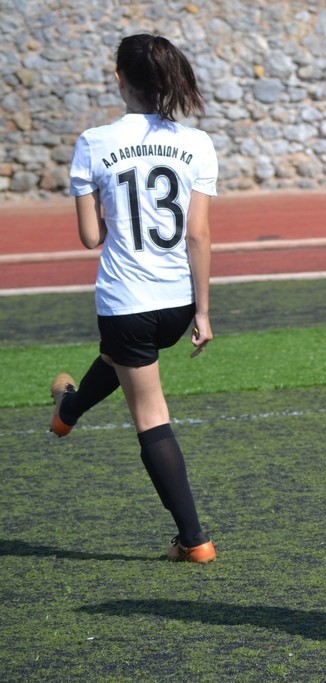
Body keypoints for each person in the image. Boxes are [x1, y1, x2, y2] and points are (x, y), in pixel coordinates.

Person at [51, 33, 218, 564]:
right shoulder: (197, 142)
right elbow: (198, 236)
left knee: (149, 414)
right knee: (122, 358)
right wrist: (203, 311)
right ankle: (67, 409)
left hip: (127, 302)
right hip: (177, 304)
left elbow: (90, 238)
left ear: (119, 78)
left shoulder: (93, 142)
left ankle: (193, 541)